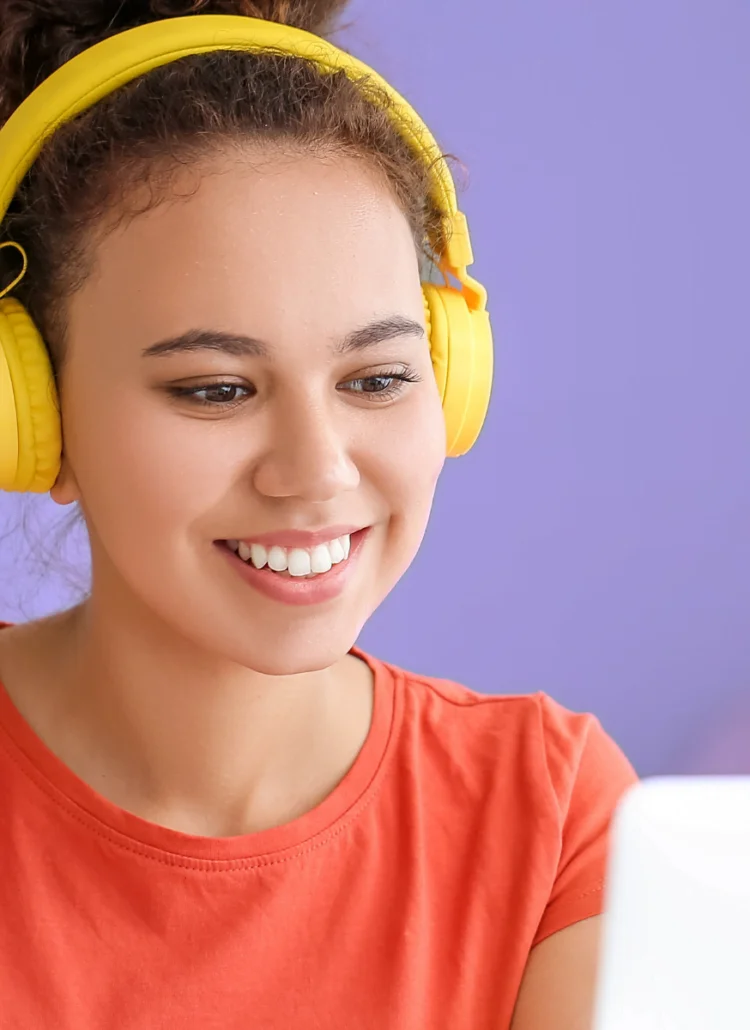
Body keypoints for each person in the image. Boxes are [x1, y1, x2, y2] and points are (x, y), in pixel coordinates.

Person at [0, 2, 637, 1027]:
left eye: (377, 377)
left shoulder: (554, 815)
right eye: (214, 389)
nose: (316, 472)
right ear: (34, 413)